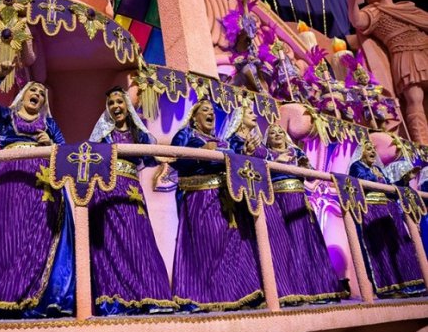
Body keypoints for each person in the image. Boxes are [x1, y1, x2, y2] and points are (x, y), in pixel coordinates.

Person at [0, 61, 74, 318]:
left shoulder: (49, 125)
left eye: (42, 94)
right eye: (34, 91)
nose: (38, 95)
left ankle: (35, 299)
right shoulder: (7, 117)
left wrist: (51, 143)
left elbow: (66, 154)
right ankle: (1, 298)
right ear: (22, 95)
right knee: (7, 236)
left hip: (41, 185)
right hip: (8, 185)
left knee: (38, 235)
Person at [87, 86, 176, 315]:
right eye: (111, 103)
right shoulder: (102, 135)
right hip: (108, 189)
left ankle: (151, 296)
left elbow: (152, 153)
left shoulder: (138, 134)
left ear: (127, 106)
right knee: (113, 243)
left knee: (140, 239)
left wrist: (139, 121)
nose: (116, 106)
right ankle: (118, 300)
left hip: (132, 188)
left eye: (119, 101)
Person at [170, 99, 264, 311]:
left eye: (212, 111)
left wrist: (245, 154)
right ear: (194, 118)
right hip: (200, 197)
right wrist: (202, 149)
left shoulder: (222, 140)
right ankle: (205, 297)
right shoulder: (186, 135)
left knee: (232, 246)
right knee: (208, 245)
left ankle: (235, 295)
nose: (210, 113)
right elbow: (175, 158)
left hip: (225, 198)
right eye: (204, 110)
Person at [262, 124, 347, 305]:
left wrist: (306, 167)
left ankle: (319, 290)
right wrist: (277, 162)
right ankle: (291, 291)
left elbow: (311, 178)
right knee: (283, 247)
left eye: (280, 132)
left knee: (306, 244)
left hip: (300, 202)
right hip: (277, 203)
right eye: (272, 133)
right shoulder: (265, 154)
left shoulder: (297, 153)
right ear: (267, 139)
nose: (277, 135)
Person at [345, 0, 428, 144]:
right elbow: (357, 21)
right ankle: (423, 144)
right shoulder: (374, 12)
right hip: (404, 55)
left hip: (425, 50)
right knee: (415, 99)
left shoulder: (411, 9)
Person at [348, 140, 424, 297]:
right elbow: (364, 181)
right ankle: (387, 289)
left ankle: (403, 285)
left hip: (384, 212)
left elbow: (389, 189)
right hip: (369, 212)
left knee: (393, 249)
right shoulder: (357, 166)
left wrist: (404, 180)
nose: (373, 152)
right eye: (368, 149)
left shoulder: (376, 169)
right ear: (361, 153)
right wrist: (376, 178)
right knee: (378, 252)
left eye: (373, 150)